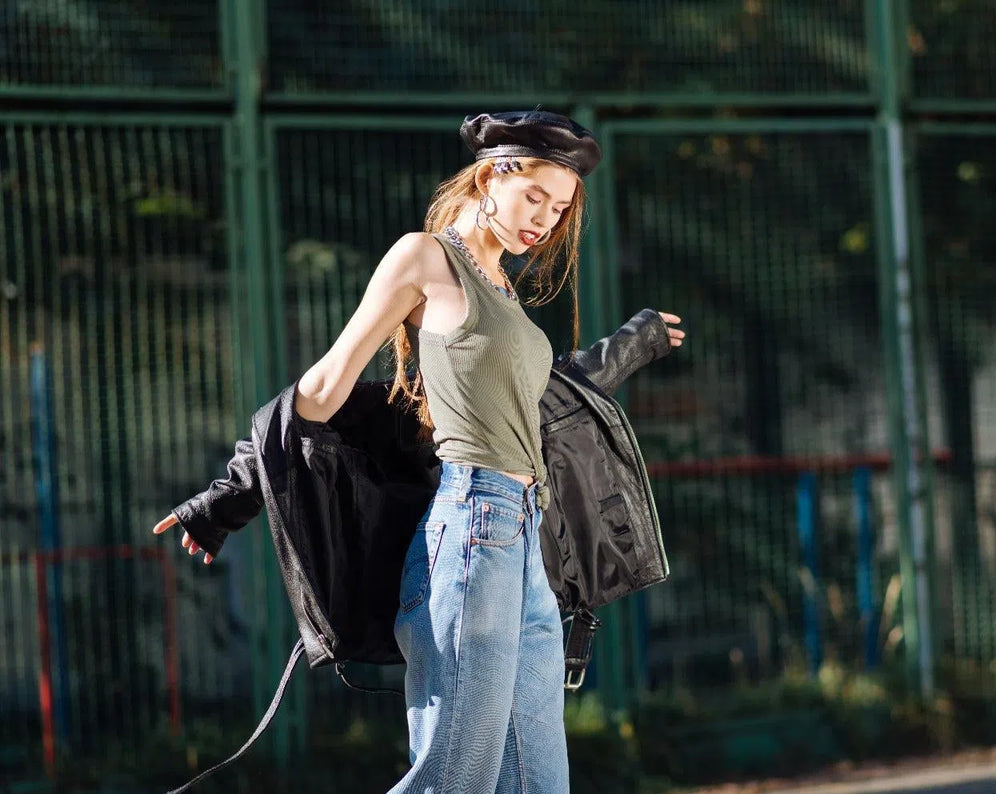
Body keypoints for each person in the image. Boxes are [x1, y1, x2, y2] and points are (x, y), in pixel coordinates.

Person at [152, 109, 685, 792]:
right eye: (534, 196)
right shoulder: (425, 258)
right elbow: (326, 387)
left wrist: (622, 353)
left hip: (527, 538)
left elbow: (530, 406)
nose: (545, 221)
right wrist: (235, 489)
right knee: (454, 778)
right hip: (475, 532)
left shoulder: (500, 286)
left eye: (558, 209)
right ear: (491, 177)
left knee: (539, 782)